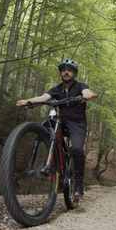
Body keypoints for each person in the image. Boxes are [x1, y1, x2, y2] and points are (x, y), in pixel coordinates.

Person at [16, 58, 97, 202]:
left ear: (74, 73)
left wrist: (87, 95)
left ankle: (78, 185)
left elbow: (87, 92)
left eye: (69, 70)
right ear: (61, 72)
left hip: (77, 124)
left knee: (77, 150)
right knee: (45, 126)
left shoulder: (80, 86)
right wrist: (28, 101)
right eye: (64, 69)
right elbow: (43, 97)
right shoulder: (57, 89)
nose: (66, 72)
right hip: (60, 121)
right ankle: (50, 161)